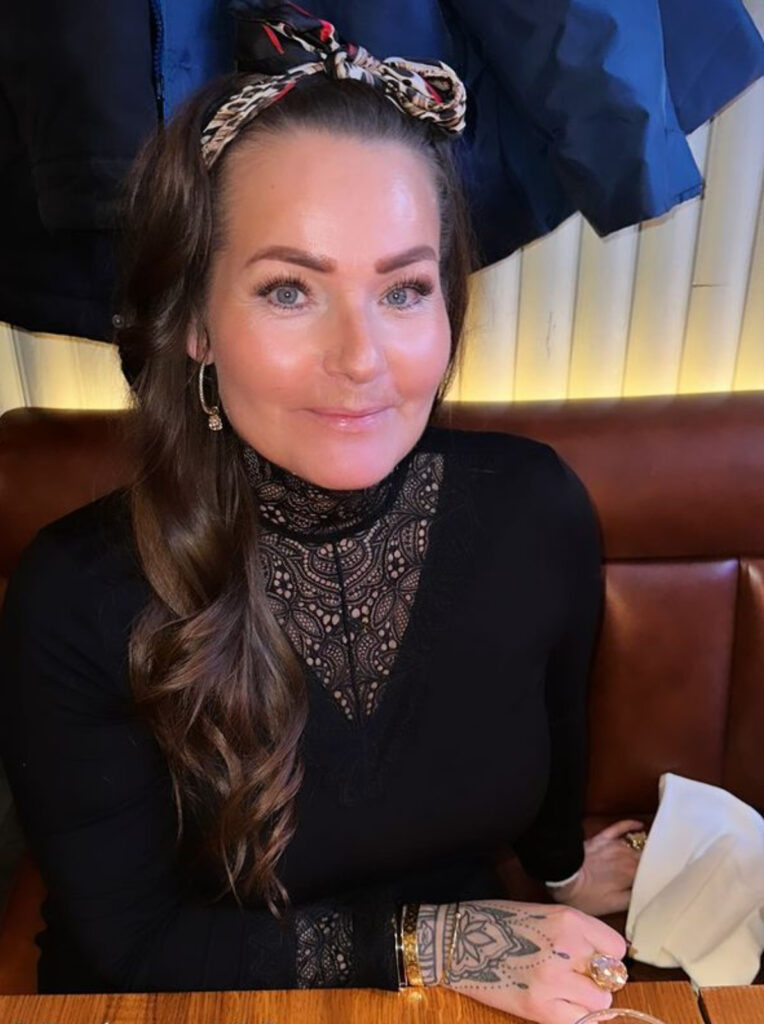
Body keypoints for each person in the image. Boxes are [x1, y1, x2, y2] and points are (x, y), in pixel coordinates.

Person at [0, 4, 642, 1021]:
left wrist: (561, 873)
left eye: (403, 290)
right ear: (195, 322)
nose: (361, 359)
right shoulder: (76, 596)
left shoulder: (534, 509)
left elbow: (556, 748)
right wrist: (435, 940)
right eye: (289, 291)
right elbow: (133, 944)